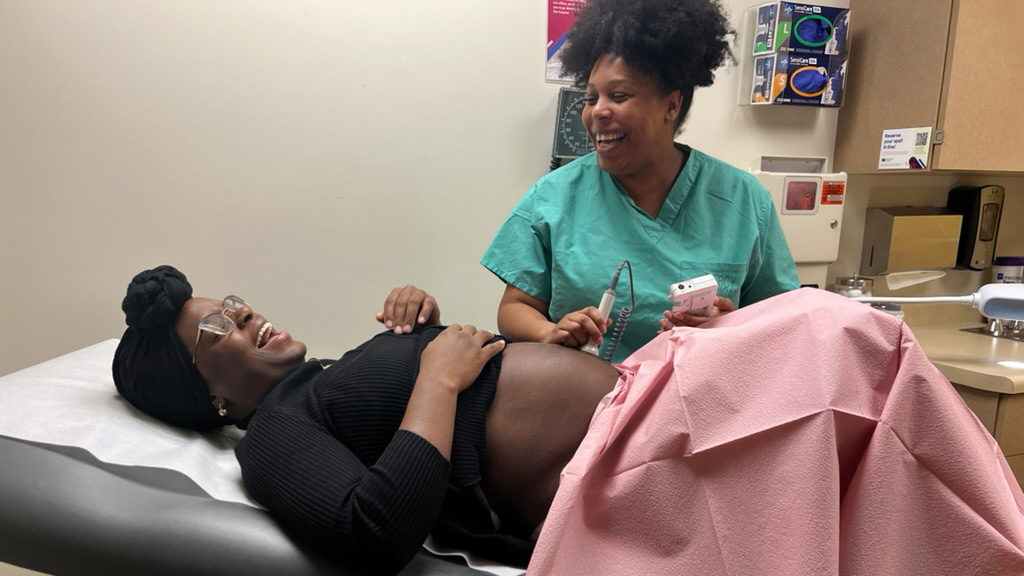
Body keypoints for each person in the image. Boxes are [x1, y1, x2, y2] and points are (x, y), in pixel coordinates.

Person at [112, 266, 1024, 576]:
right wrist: (433, 373)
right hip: (625, 465)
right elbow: (370, 529)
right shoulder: (272, 435)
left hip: (649, 401)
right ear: (210, 397)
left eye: (229, 297)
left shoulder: (323, 379)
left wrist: (417, 334)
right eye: (217, 328)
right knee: (838, 337)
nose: (243, 312)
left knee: (846, 348)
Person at [481, 0, 799, 362]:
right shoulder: (552, 198)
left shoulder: (744, 201)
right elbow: (514, 308)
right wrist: (549, 331)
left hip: (694, 404)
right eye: (591, 97)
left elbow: (781, 321)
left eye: (619, 95)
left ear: (671, 106)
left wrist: (731, 327)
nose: (597, 111)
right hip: (580, 405)